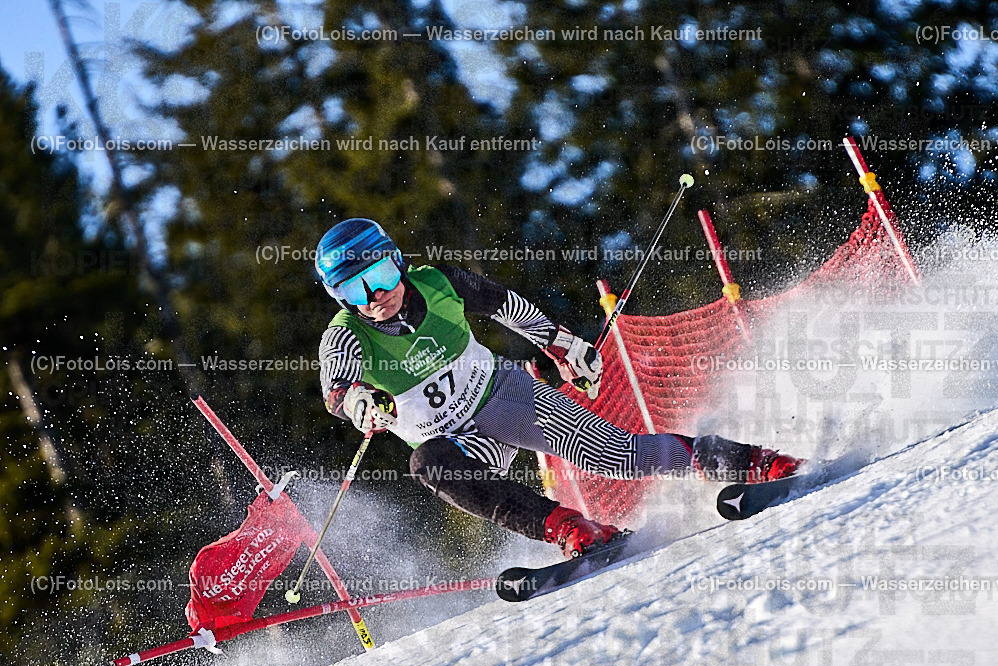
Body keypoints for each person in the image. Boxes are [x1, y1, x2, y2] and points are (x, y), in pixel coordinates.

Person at [316, 219, 801, 558]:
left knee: (619, 456)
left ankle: (752, 462)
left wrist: (562, 345)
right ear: (340, 298)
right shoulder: (345, 334)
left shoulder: (438, 282)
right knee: (428, 465)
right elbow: (337, 389)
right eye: (355, 290)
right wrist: (359, 402)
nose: (375, 296)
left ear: (397, 262)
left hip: (503, 397)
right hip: (459, 443)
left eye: (379, 275)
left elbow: (505, 304)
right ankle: (573, 529)